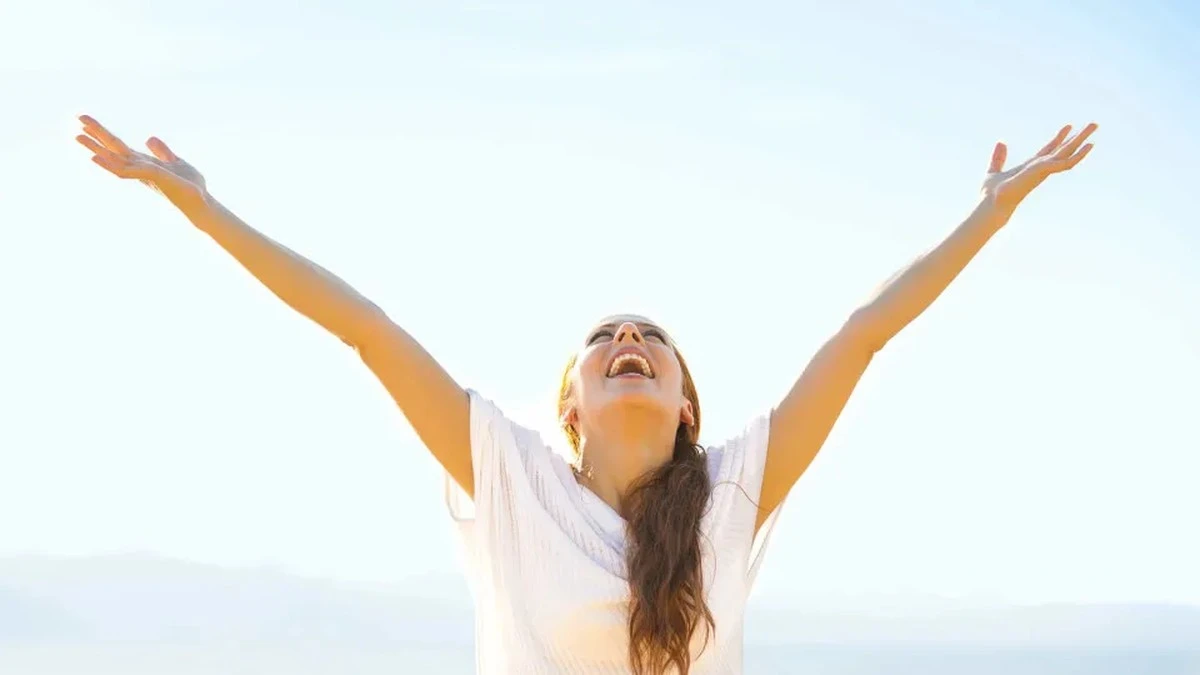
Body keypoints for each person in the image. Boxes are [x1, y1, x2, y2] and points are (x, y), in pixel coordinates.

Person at [75, 115, 1096, 674]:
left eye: (652, 336)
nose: (629, 340)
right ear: (569, 405)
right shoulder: (509, 473)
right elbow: (365, 329)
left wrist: (989, 217)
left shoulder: (735, 495)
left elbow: (862, 335)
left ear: (688, 401)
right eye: (604, 338)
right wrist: (207, 213)